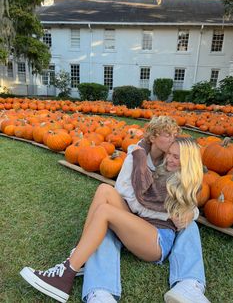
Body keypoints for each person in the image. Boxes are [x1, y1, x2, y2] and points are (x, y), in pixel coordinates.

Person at [19, 116, 209, 303]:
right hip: (140, 223)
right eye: (169, 153)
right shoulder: (144, 158)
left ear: (187, 161)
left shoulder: (184, 180)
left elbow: (186, 208)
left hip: (158, 238)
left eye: (176, 156)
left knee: (105, 211)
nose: (169, 158)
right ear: (153, 138)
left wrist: (191, 213)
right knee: (104, 190)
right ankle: (81, 255)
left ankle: (66, 273)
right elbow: (126, 193)